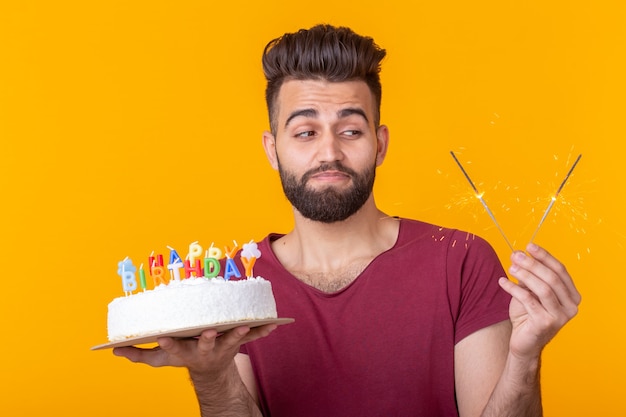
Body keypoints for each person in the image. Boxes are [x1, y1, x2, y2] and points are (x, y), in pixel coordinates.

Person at [114, 24, 581, 416]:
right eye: (305, 132)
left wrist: (524, 359)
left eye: (351, 130)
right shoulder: (237, 284)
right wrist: (211, 375)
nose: (330, 152)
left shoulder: (461, 262)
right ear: (272, 149)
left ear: (380, 144)